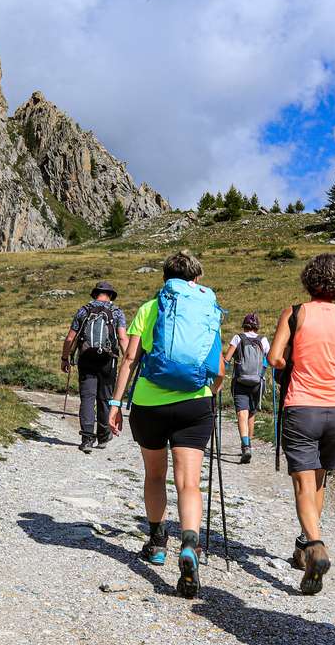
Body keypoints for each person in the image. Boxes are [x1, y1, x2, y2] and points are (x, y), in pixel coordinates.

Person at [107, 250, 224, 598]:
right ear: (197, 279)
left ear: (166, 277)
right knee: (189, 483)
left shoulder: (149, 308)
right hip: (194, 403)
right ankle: (190, 546)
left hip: (149, 404)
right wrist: (210, 393)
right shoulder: (208, 311)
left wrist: (115, 403)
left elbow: (130, 358)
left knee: (155, 475)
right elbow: (218, 369)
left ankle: (157, 542)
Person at [266, 253, 335, 595]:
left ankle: (315, 546)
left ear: (309, 278)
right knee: (318, 480)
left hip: (302, 405)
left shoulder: (296, 312)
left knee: (302, 484)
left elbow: (274, 357)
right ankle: (304, 546)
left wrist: (290, 363)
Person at [61, 281, 128, 453]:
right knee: (104, 398)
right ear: (111, 295)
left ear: (95, 294)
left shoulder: (83, 311)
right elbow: (122, 338)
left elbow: (70, 338)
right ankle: (104, 435)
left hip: (86, 359)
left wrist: (65, 358)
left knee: (88, 398)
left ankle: (87, 439)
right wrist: (129, 360)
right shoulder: (117, 312)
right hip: (108, 360)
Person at [221, 313, 270, 463]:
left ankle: (246, 446)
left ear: (244, 325)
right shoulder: (263, 340)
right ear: (257, 326)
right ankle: (249, 446)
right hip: (257, 382)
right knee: (251, 414)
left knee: (242, 413)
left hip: (240, 381)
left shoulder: (238, 338)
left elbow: (227, 359)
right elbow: (270, 358)